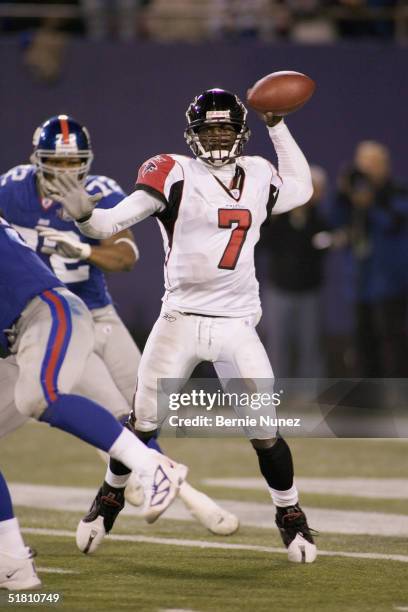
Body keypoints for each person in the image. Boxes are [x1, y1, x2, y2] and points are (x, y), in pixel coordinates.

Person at [52, 88, 317, 563]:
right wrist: (86, 216)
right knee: (143, 423)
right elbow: (110, 222)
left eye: (226, 128)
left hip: (237, 323)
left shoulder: (258, 172)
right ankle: (111, 496)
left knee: (264, 428)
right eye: (209, 129)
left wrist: (278, 125)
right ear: (192, 135)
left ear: (241, 133)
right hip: (180, 318)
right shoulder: (173, 170)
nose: (217, 137)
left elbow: (302, 188)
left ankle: (290, 513)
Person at [0, 114, 238, 537]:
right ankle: (146, 485)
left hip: (94, 314)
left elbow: (127, 256)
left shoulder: (102, 191)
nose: (66, 171)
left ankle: (116, 494)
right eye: (56, 161)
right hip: (41, 320)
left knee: (143, 411)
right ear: (37, 160)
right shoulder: (12, 188)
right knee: (112, 412)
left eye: (75, 163)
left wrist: (83, 247)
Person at [0, 216, 186, 590]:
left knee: (38, 396)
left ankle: (150, 465)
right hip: (15, 340)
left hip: (45, 313)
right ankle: (12, 563)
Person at [334, 140, 408, 378]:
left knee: (393, 338)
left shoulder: (396, 190)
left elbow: (394, 223)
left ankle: (398, 393)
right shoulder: (353, 195)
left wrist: (371, 204)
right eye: (362, 163)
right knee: (363, 339)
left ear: (384, 165)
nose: (365, 169)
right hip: (360, 281)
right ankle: (368, 396)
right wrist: (342, 194)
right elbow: (336, 222)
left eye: (371, 163)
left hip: (391, 282)